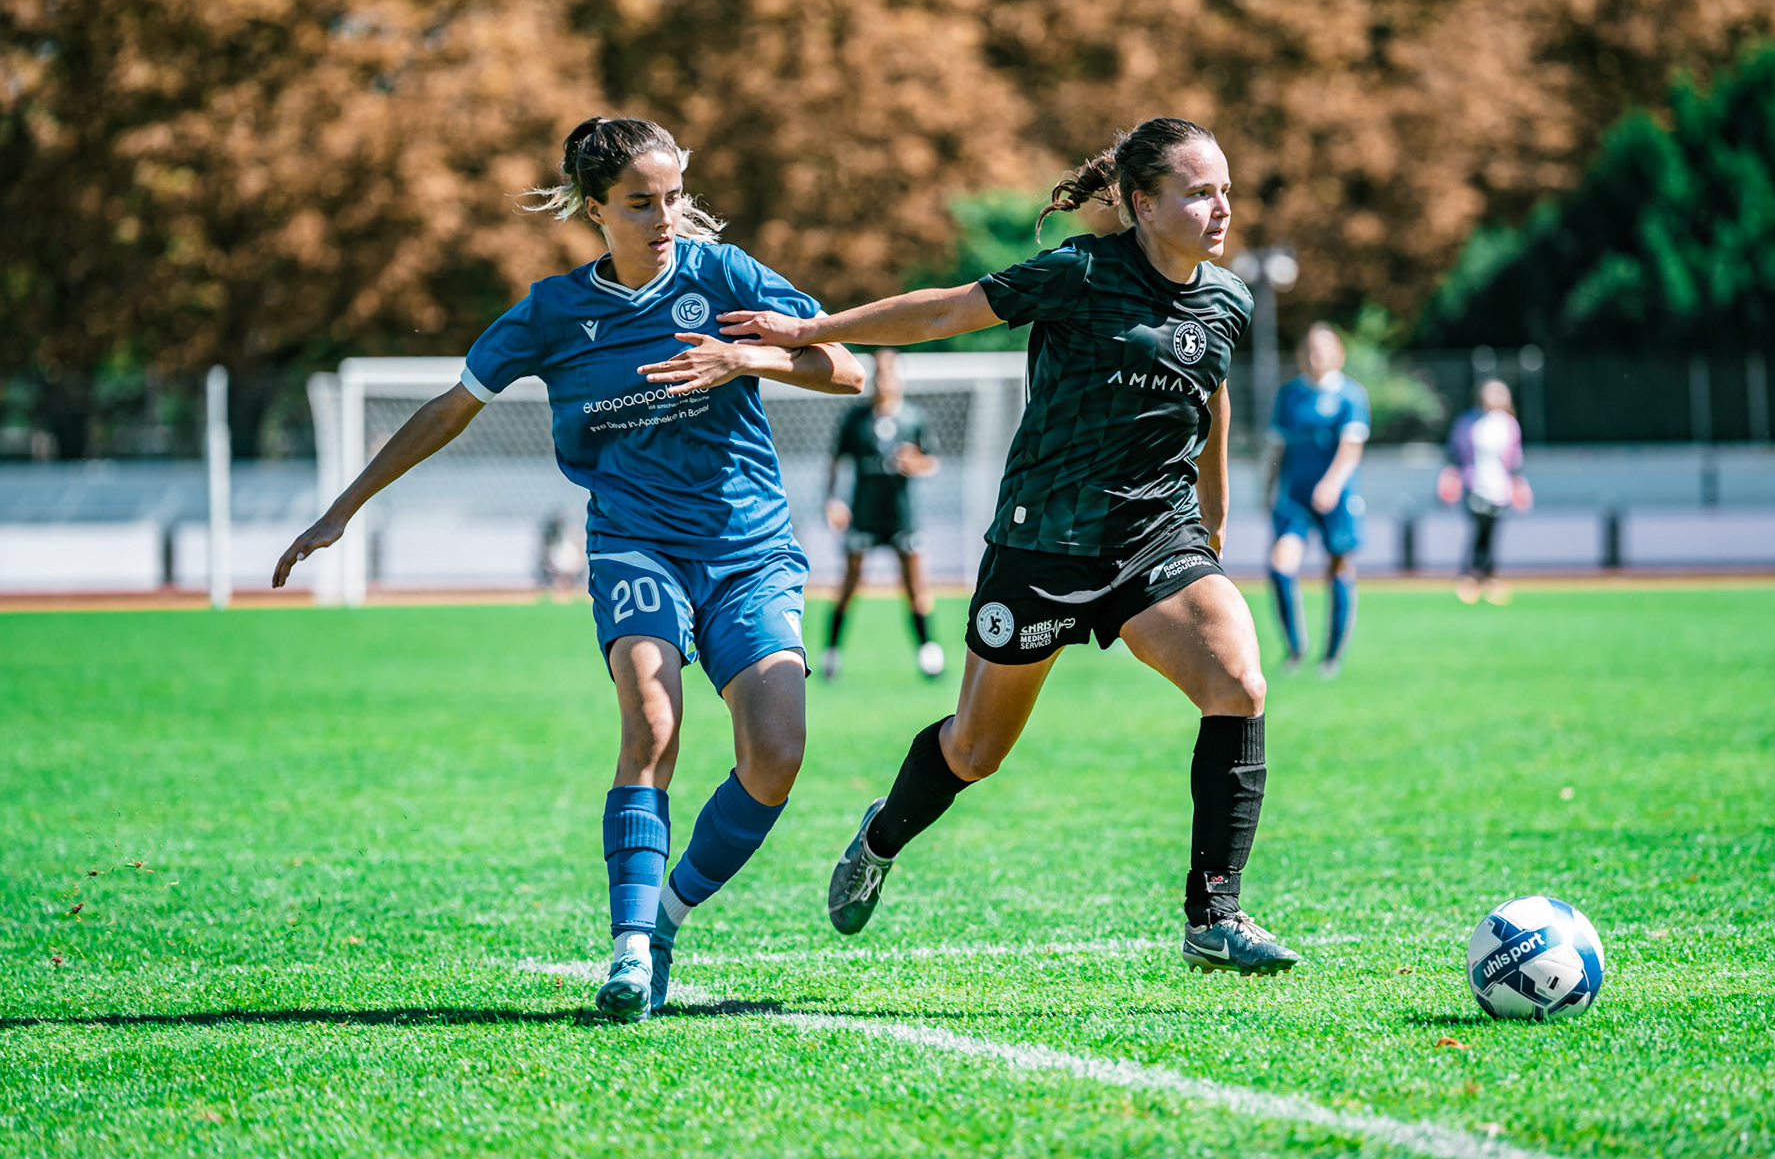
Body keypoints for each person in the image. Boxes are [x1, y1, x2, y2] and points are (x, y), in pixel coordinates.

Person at [272, 116, 864, 1020]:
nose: (664, 219)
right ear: (595, 209)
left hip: (748, 549)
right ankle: (630, 951)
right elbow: (451, 408)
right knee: (653, 721)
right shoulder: (552, 313)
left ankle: (664, 918)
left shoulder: (726, 276)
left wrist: (744, 356)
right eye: (640, 202)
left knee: (777, 755)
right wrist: (341, 508)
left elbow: (846, 369)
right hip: (635, 541)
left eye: (673, 198)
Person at [701, 117, 1298, 976]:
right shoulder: (1080, 272)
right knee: (974, 751)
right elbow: (946, 309)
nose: (1222, 208)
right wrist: (810, 330)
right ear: (1141, 204)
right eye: (1199, 193)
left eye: (1226, 191)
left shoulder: (1229, 299)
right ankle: (880, 837)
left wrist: (1213, 516)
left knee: (1238, 681)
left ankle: (1215, 914)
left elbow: (1213, 396)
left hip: (1154, 539)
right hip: (1044, 543)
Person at [821, 348, 945, 681]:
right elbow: (836, 462)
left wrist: (916, 463)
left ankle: (929, 653)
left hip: (902, 516)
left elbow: (931, 462)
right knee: (849, 583)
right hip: (863, 514)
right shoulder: (855, 419)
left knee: (914, 585)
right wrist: (832, 500)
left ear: (899, 377)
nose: (884, 380)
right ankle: (831, 655)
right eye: (879, 373)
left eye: (890, 373)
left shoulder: (913, 417)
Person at [1265, 324, 1369, 679]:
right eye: (1310, 349)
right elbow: (1277, 447)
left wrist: (1331, 484)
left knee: (1338, 568)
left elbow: (1351, 449)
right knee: (1280, 566)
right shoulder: (1290, 395)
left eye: (1323, 349)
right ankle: (1295, 650)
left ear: (1338, 353)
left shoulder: (1351, 395)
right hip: (1295, 497)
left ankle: (1331, 657)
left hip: (1336, 499)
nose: (1316, 356)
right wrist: (1269, 487)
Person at [1439, 379, 1531, 604]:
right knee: (1477, 530)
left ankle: (1488, 577)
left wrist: (1518, 485)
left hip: (1500, 488)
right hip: (1474, 485)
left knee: (1493, 532)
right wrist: (1450, 478)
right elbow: (1454, 453)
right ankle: (1469, 576)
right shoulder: (1469, 421)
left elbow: (1515, 460)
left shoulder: (1509, 424)